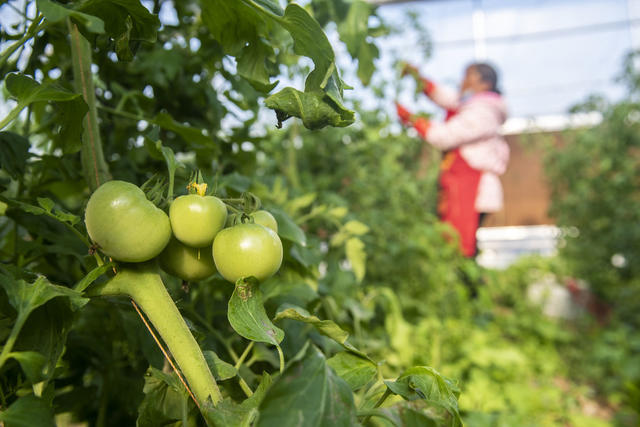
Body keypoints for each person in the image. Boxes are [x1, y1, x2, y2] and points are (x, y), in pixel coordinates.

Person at [396, 62, 509, 258]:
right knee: (457, 241)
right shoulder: (474, 104)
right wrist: (418, 79)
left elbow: (444, 136)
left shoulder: (483, 112)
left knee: (461, 247)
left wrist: (411, 118)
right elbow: (448, 98)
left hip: (473, 188)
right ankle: (465, 281)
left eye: (469, 77)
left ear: (485, 84)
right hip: (461, 184)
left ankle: (466, 284)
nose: (463, 81)